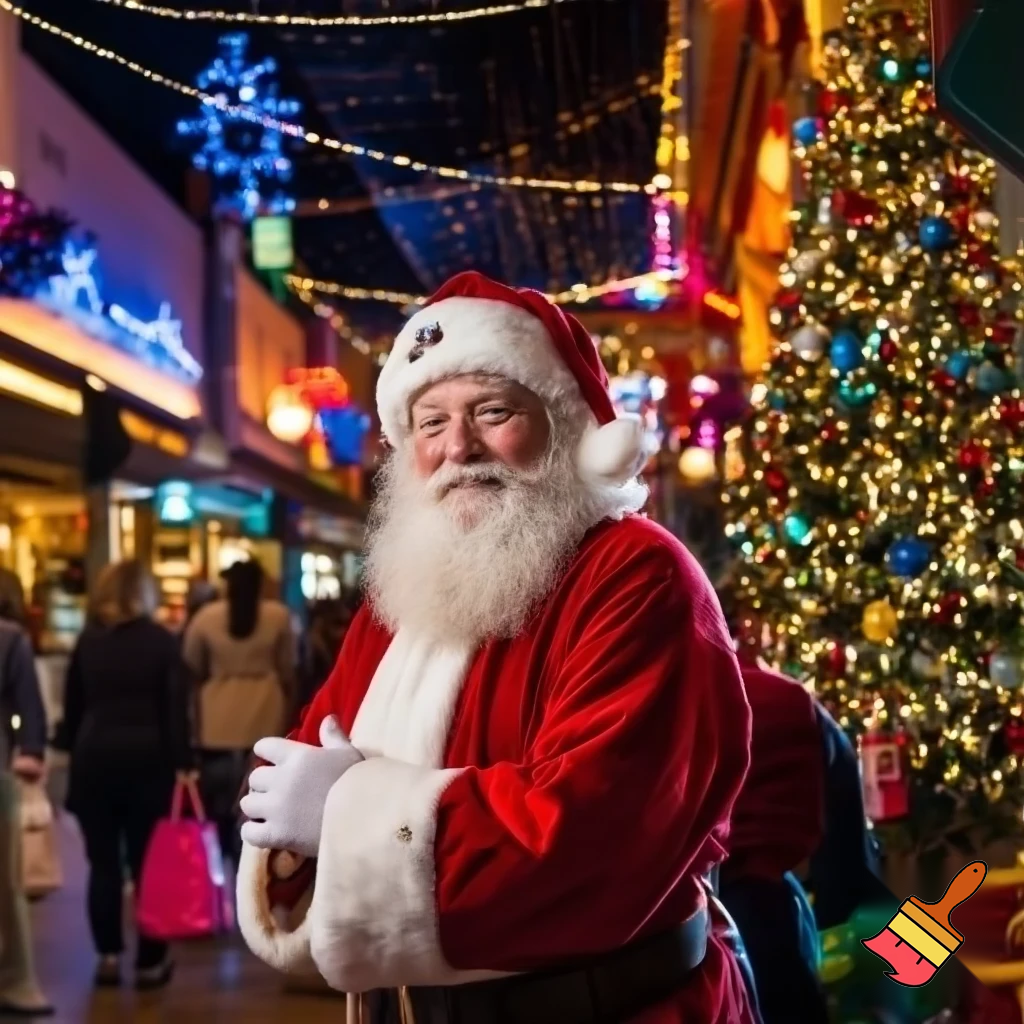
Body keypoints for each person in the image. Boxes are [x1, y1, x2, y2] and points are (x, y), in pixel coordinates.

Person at [235, 270, 755, 1024]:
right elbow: (300, 756)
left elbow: (591, 834)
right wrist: (292, 809)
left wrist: (347, 813)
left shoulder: (638, 574)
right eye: (431, 424)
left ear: (565, 424)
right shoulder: (403, 596)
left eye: (493, 411)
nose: (459, 448)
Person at [54, 560, 189, 990]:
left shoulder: (89, 642)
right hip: (150, 763)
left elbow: (73, 708)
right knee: (148, 864)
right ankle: (151, 961)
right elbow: (175, 711)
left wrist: (72, 747)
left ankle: (108, 956)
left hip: (95, 760)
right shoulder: (163, 643)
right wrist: (186, 762)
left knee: (103, 864)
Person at [183, 558, 294, 865]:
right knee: (259, 812)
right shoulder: (279, 616)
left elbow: (192, 665)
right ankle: (252, 881)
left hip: (215, 724)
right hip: (265, 720)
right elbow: (289, 669)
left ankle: (221, 871)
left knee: (216, 812)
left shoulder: (205, 618)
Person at [0, 571, 52, 1016]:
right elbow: (29, 707)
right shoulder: (10, 638)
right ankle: (17, 980)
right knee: (7, 883)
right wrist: (31, 751)